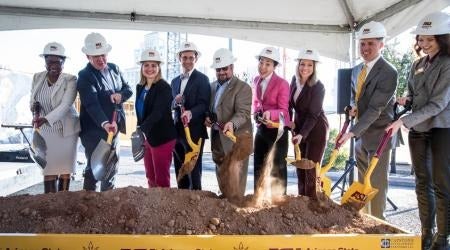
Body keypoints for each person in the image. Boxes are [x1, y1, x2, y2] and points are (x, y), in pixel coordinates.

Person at [385, 12, 450, 250]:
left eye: (429, 41)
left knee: (442, 184)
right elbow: (414, 95)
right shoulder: (417, 65)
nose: (423, 45)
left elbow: (438, 103)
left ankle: (443, 237)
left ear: (443, 39)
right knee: (422, 182)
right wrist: (406, 100)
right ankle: (426, 232)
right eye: (421, 40)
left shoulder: (448, 64)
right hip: (417, 130)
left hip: (442, 129)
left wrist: (405, 121)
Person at [338, 21, 398, 220]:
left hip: (379, 137)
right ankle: (364, 225)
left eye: (370, 44)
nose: (365, 48)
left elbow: (375, 108)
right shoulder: (356, 70)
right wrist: (352, 107)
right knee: (362, 188)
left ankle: (379, 228)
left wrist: (353, 132)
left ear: (382, 45)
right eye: (362, 44)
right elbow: (355, 97)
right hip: (361, 140)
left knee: (376, 187)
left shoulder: (389, 72)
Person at [77, 32, 132, 191]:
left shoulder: (115, 69)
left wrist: (120, 95)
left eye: (103, 55)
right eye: (96, 56)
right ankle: (89, 202)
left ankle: (107, 202)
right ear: (88, 56)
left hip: (113, 129)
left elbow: (128, 89)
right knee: (94, 168)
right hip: (94, 131)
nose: (101, 59)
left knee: (111, 168)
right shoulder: (84, 76)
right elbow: (91, 103)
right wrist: (105, 123)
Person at [30, 42, 79, 193]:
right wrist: (35, 111)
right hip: (46, 131)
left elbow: (65, 106)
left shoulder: (70, 79)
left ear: (63, 62)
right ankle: (49, 204)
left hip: (66, 131)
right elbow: (33, 100)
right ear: (44, 61)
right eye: (49, 61)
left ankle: (63, 204)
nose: (53, 65)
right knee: (49, 168)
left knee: (65, 168)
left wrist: (45, 119)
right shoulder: (37, 77)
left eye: (57, 61)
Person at [205, 48, 252, 198]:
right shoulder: (211, 87)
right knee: (221, 170)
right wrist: (207, 119)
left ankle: (236, 208)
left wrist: (232, 124)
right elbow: (211, 110)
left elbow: (243, 112)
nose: (221, 72)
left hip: (236, 140)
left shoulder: (243, 88)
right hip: (218, 137)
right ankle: (225, 201)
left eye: (225, 68)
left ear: (232, 67)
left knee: (236, 175)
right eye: (218, 69)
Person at [288, 49, 329, 198]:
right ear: (298, 65)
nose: (305, 68)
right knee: (300, 168)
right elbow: (289, 104)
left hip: (316, 129)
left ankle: (312, 206)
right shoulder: (294, 80)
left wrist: (301, 134)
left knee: (310, 170)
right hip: (299, 129)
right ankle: (302, 203)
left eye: (309, 65)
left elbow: (313, 115)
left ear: (315, 67)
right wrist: (289, 122)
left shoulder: (319, 87)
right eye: (302, 64)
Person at [171, 42, 211, 190]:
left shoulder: (202, 79)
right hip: (177, 131)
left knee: (193, 168)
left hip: (194, 131)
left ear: (196, 59)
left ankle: (195, 199)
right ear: (179, 59)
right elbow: (172, 105)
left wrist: (191, 112)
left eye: (191, 58)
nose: (187, 61)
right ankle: (182, 198)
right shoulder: (174, 82)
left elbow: (204, 104)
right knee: (180, 167)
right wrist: (175, 102)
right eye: (184, 57)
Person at [135, 49, 176, 188]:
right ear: (141, 67)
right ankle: (153, 207)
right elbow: (141, 111)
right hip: (149, 137)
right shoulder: (140, 87)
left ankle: (163, 208)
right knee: (150, 176)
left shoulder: (164, 87)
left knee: (161, 178)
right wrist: (138, 128)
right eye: (146, 65)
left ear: (159, 68)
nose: (150, 68)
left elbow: (158, 112)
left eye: (154, 65)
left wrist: (141, 129)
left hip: (163, 138)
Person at [252, 46, 290, 196]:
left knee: (278, 167)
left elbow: (284, 111)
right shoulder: (256, 80)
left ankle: (279, 200)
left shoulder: (282, 84)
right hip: (262, 128)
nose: (263, 67)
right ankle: (258, 197)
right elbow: (256, 103)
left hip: (278, 130)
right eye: (261, 62)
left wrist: (270, 113)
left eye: (268, 64)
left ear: (274, 66)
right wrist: (256, 113)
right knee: (258, 164)